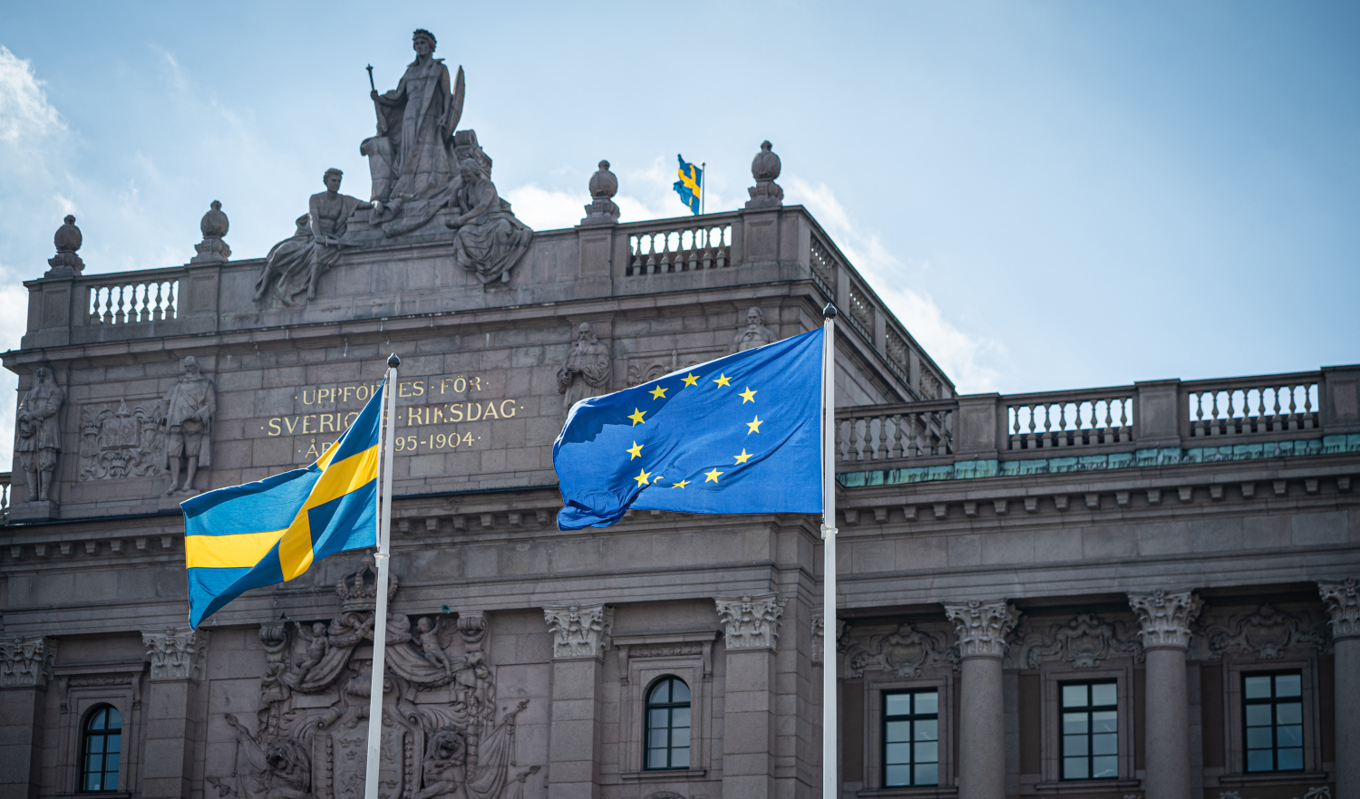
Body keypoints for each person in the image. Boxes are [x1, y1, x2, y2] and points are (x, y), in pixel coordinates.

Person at [368, 29, 464, 236]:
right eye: (417, 43)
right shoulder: (410, 72)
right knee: (409, 150)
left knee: (429, 151)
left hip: (430, 114)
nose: (419, 46)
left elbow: (448, 94)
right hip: (410, 116)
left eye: (423, 43)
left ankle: (425, 186)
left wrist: (446, 115)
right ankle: (407, 187)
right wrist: (379, 98)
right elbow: (398, 96)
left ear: (430, 46)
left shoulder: (440, 68)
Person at [254, 169, 372, 305]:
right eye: (333, 181)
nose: (336, 184)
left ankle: (312, 286)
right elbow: (313, 219)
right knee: (279, 253)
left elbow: (364, 205)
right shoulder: (315, 198)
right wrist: (318, 236)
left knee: (319, 250)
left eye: (339, 181)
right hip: (307, 236)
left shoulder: (344, 200)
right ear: (326, 181)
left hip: (328, 238)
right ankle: (262, 289)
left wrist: (376, 204)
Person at [446, 158, 533, 285]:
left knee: (501, 230)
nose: (466, 180)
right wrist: (457, 189)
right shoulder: (466, 189)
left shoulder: (487, 185)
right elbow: (451, 205)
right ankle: (481, 266)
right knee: (463, 233)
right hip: (479, 222)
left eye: (468, 176)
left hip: (495, 218)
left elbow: (482, 206)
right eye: (464, 177)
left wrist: (462, 219)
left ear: (475, 172)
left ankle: (503, 268)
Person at [162, 356, 216, 496]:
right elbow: (166, 401)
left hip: (193, 423)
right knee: (173, 452)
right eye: (185, 367)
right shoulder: (178, 384)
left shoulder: (205, 384)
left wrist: (199, 415)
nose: (187, 369)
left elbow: (211, 405)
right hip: (175, 422)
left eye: (190, 366)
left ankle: (188, 482)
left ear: (196, 367)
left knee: (192, 453)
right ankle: (175, 482)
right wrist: (165, 415)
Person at [16, 366, 63, 502]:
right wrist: (27, 417)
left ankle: (44, 493)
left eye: (44, 375)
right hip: (30, 432)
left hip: (47, 431)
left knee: (46, 462)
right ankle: (33, 494)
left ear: (49, 377)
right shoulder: (29, 394)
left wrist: (32, 416)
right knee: (29, 462)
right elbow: (22, 409)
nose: (41, 378)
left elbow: (51, 408)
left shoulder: (56, 392)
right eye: (39, 375)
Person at [557, 323, 611, 415]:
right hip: (573, 392)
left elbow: (603, 368)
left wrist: (582, 369)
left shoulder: (601, 349)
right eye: (581, 333)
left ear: (591, 334)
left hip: (591, 389)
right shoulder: (572, 352)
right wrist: (564, 378)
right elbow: (562, 371)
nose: (583, 335)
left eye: (586, 332)